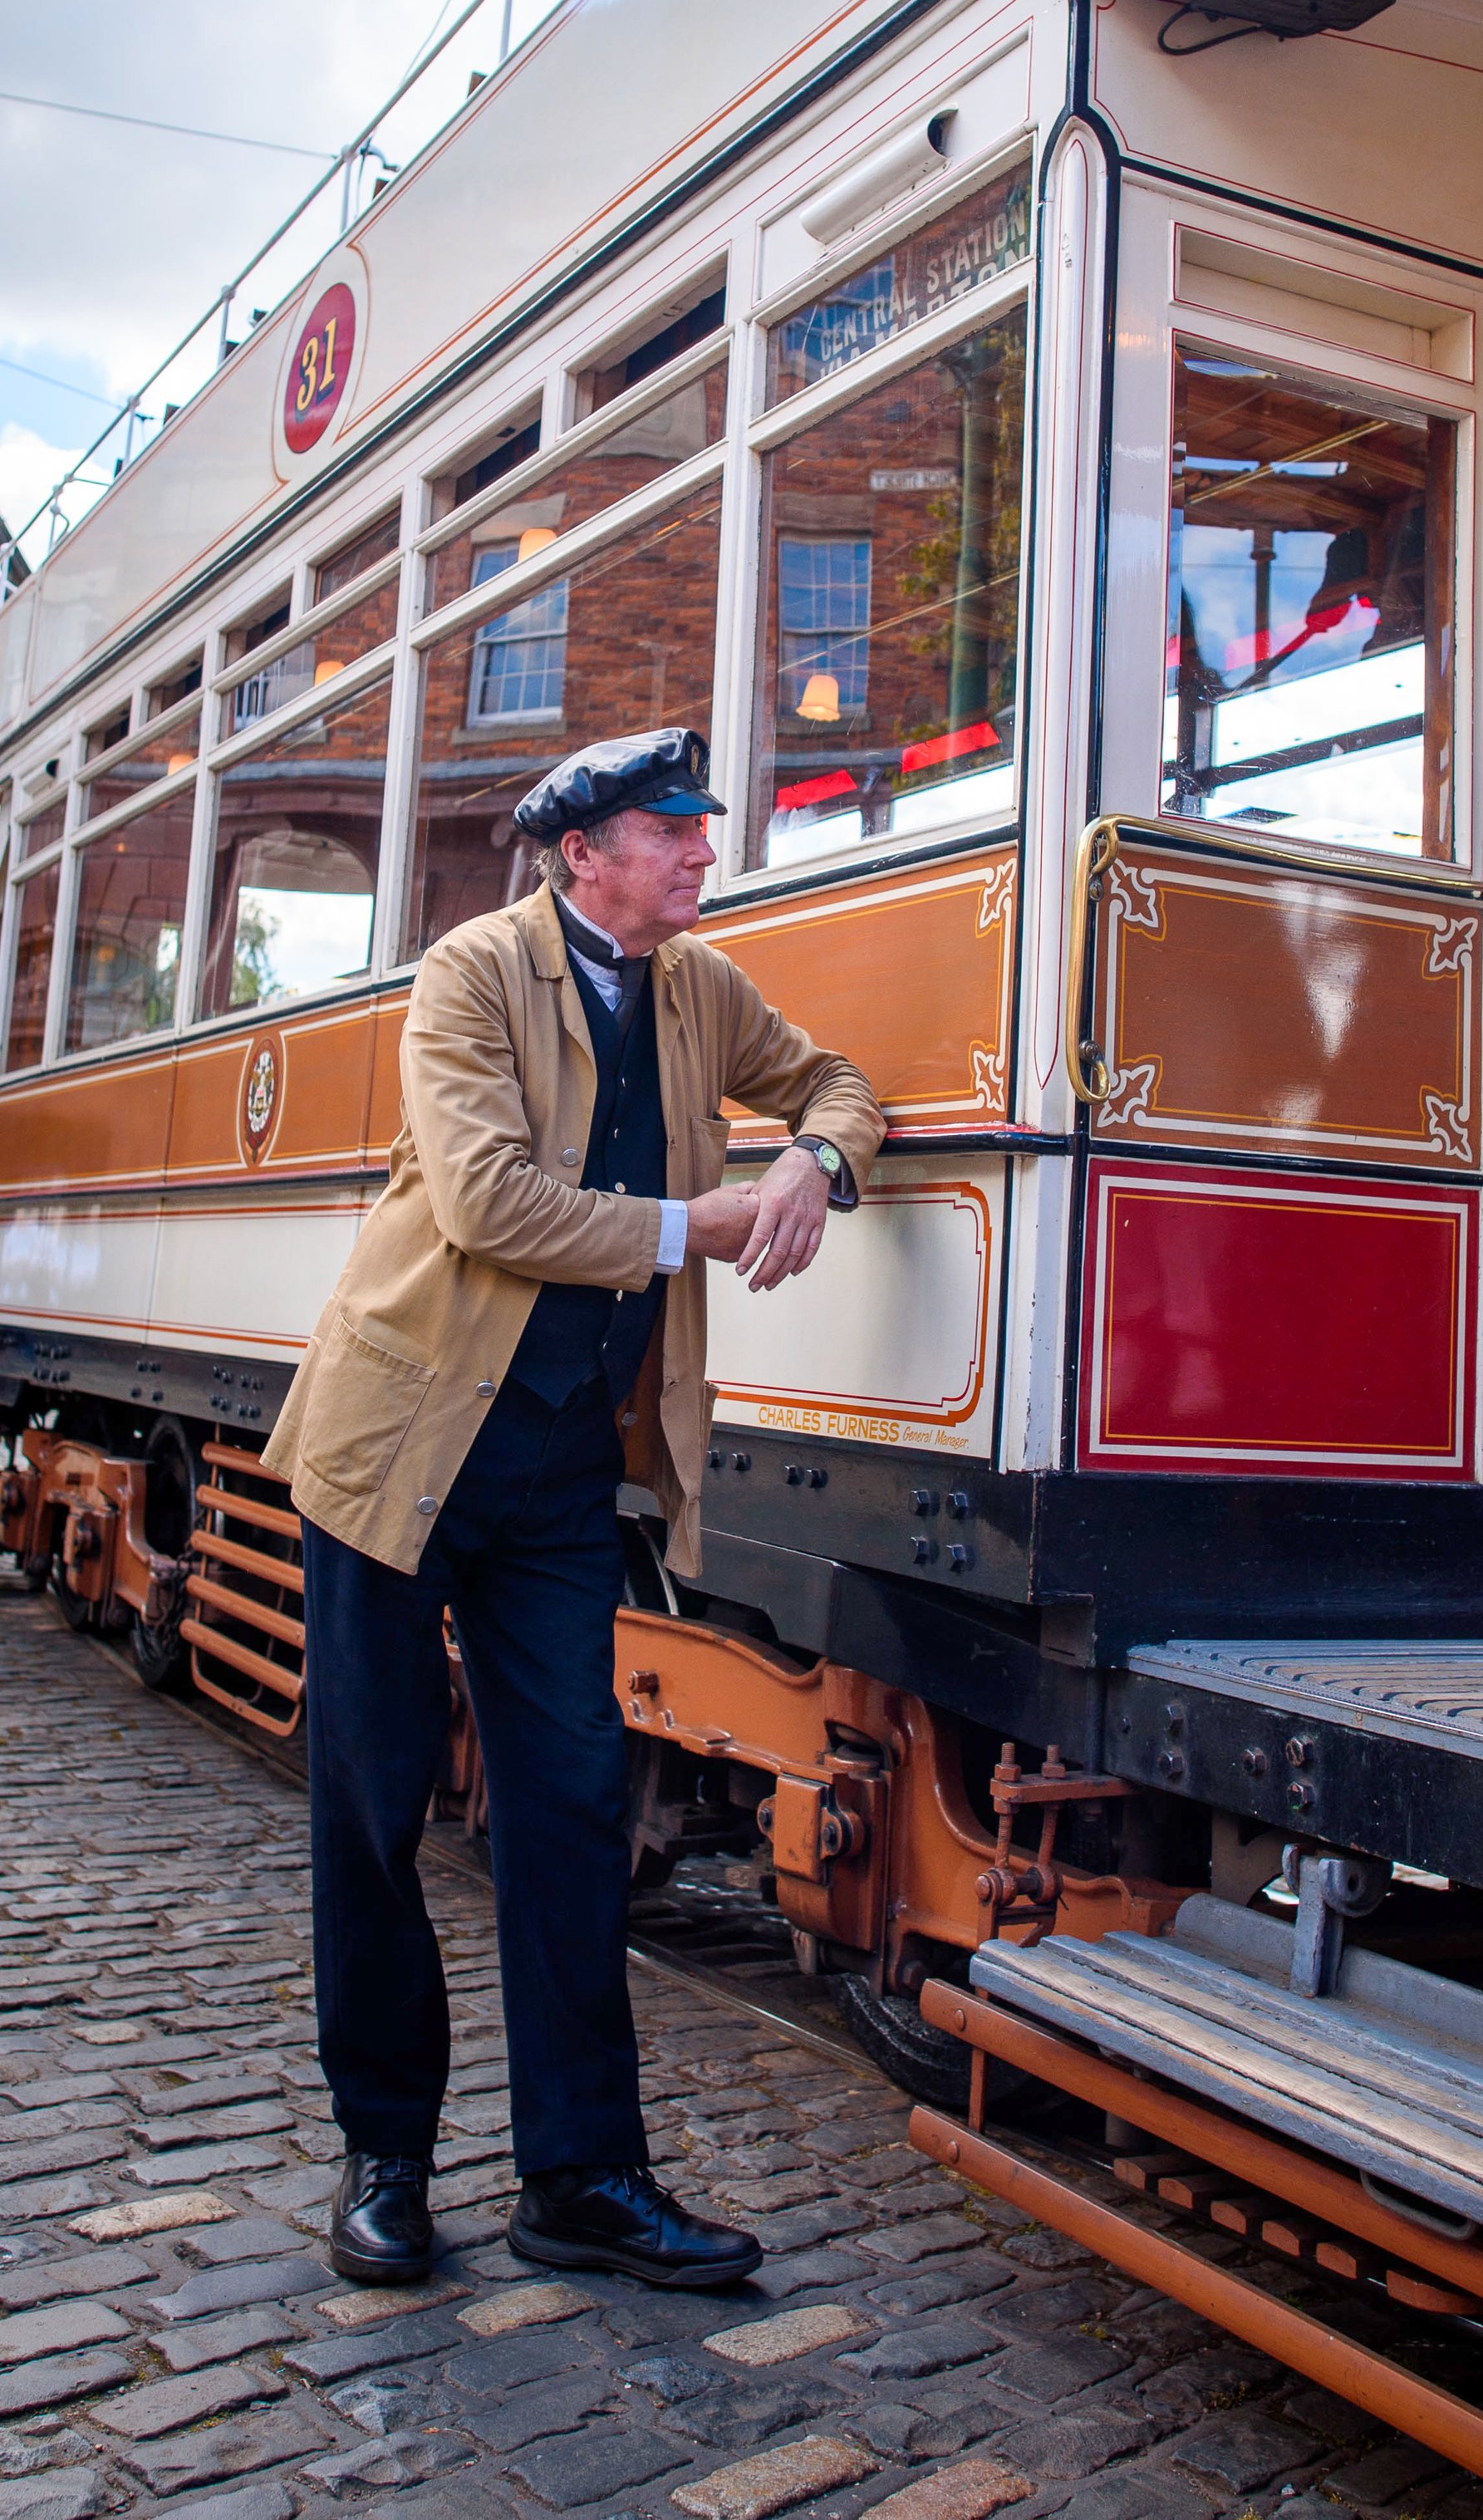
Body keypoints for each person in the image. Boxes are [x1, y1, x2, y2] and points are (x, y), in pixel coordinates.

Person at [265, 726, 883, 2292]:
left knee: (566, 1811)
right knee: (375, 1805)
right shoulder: (473, 972)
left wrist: (814, 1155)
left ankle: (584, 2178)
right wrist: (706, 1220)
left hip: (554, 1478)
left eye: (702, 824)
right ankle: (386, 2156)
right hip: (398, 1451)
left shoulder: (698, 989)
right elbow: (485, 1203)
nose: (700, 847)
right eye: (670, 826)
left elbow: (839, 1078)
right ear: (580, 854)